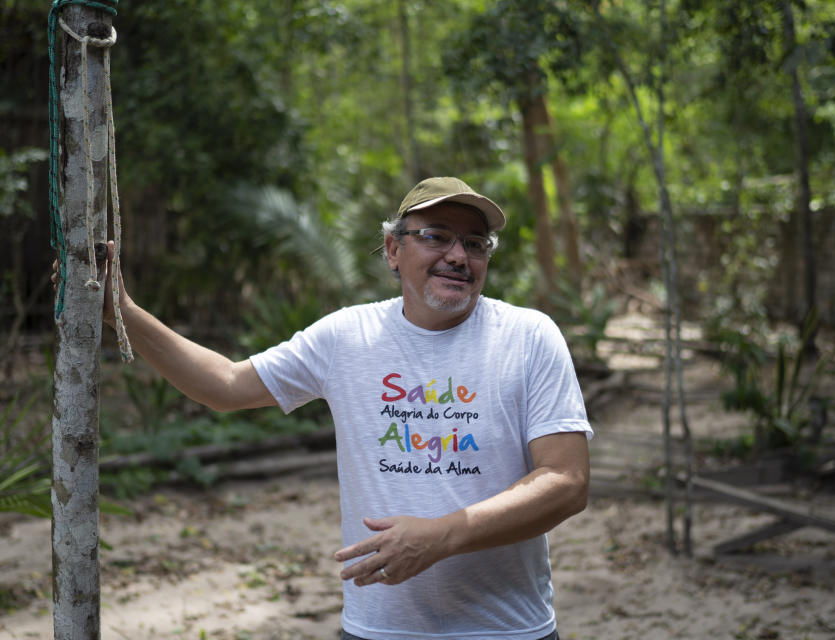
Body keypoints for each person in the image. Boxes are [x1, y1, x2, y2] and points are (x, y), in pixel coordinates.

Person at [87, 177, 592, 640]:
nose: (458, 256)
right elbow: (225, 385)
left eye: (475, 243)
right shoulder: (348, 336)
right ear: (394, 250)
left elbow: (566, 483)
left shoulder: (528, 336)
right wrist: (123, 313)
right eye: (436, 236)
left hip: (508, 628)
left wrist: (441, 535)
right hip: (378, 628)